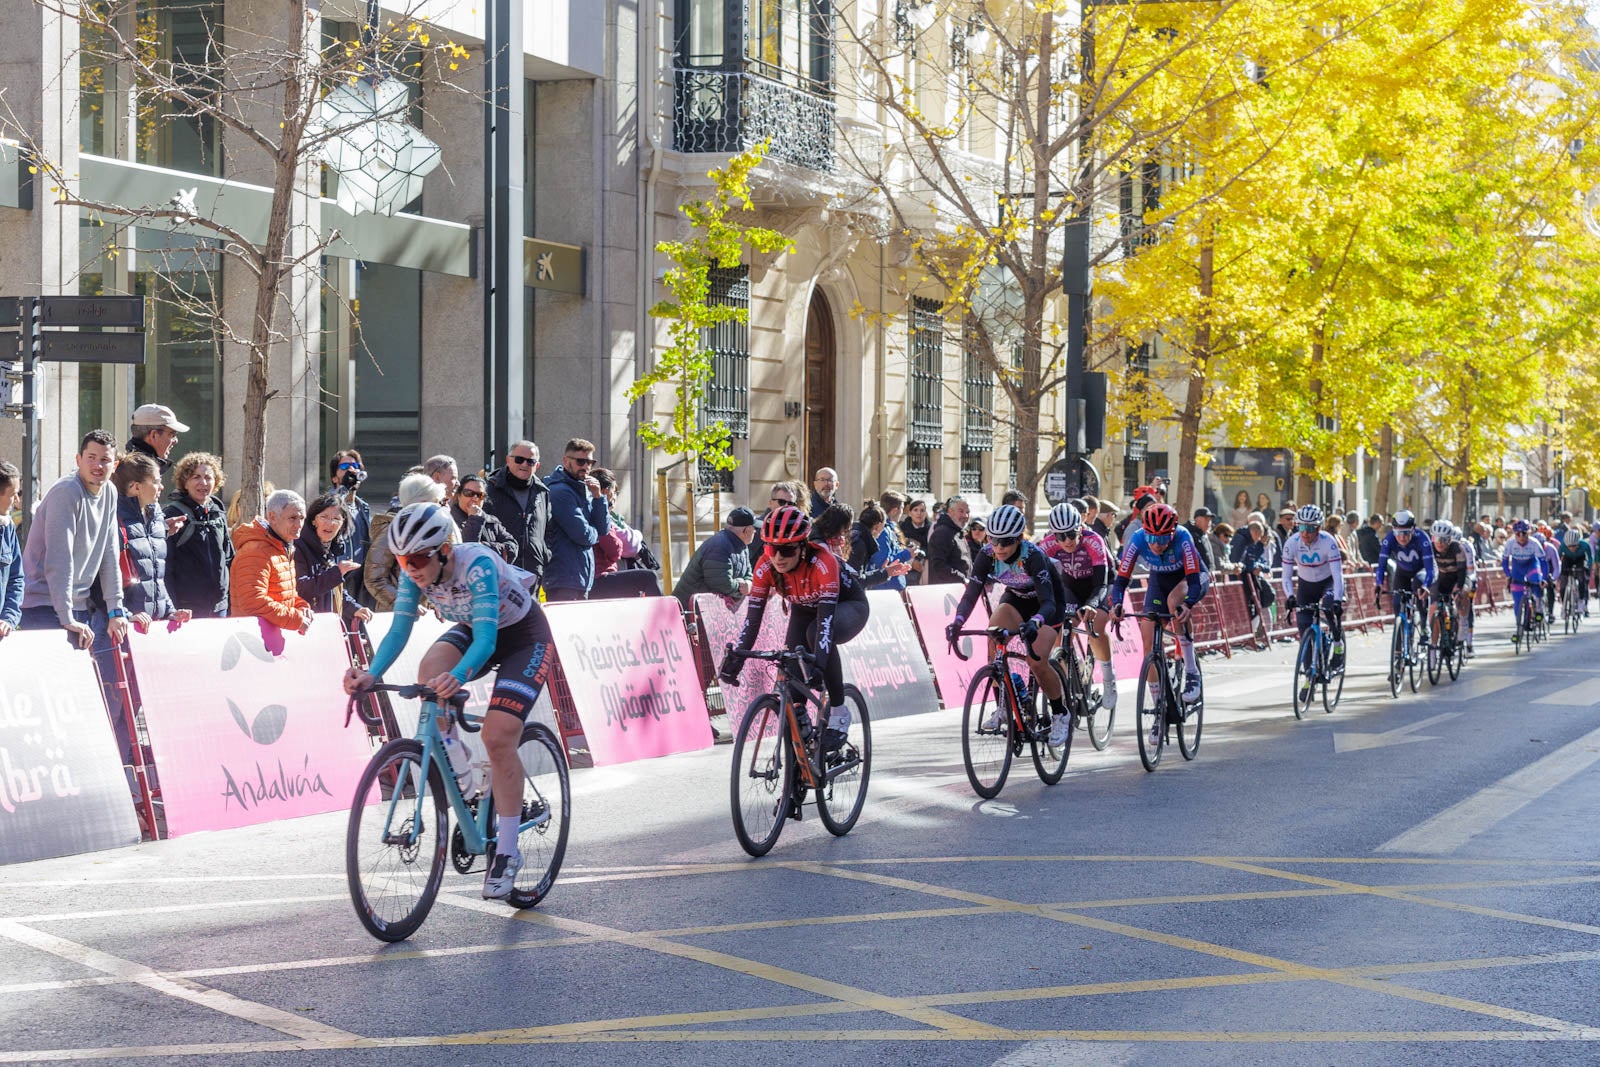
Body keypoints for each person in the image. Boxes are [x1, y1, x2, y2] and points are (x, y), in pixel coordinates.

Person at [343, 503, 553, 900]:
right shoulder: (413, 576)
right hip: (473, 630)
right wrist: (372, 673)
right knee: (428, 675)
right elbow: (400, 628)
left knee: (498, 736)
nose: (411, 567)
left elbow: (488, 642)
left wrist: (457, 676)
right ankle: (465, 782)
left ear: (444, 550)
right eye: (403, 560)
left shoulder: (477, 565)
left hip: (522, 637)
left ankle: (506, 852)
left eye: (419, 558)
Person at [720, 505, 870, 760]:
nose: (778, 557)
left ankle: (838, 711)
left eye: (787, 549)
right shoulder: (765, 567)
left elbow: (824, 627)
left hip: (846, 606)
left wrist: (818, 666)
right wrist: (738, 656)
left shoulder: (823, 562)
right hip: (804, 608)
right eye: (771, 548)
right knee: (791, 663)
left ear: (802, 547)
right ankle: (800, 750)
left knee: (815, 637)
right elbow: (752, 620)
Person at [944, 504, 1073, 746]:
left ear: (1018, 539)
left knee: (1036, 661)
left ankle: (1060, 713)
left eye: (1006, 542)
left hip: (1048, 606)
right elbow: (971, 593)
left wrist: (1036, 621)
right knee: (994, 637)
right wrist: (958, 621)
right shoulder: (986, 554)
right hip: (1016, 600)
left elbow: (1048, 602)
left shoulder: (1032, 556)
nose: (1000, 547)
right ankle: (1003, 706)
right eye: (994, 540)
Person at [1109, 503, 1212, 706]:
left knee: (1175, 602)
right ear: (1145, 533)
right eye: (1152, 538)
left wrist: (1189, 604)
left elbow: (1192, 581)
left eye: (1163, 538)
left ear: (1172, 533)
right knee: (1148, 643)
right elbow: (1121, 580)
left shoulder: (1184, 538)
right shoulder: (1137, 539)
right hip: (1160, 580)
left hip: (1191, 578)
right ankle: (1159, 708)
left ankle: (1191, 671)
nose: (1156, 544)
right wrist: (1117, 604)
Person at [1037, 503, 1118, 713]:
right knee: (1062, 632)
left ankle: (1109, 678)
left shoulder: (1094, 540)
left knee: (1095, 626)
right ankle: (1069, 676)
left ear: (1080, 528)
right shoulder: (1046, 545)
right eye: (1060, 536)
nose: (1066, 541)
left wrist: (1091, 604)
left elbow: (1101, 584)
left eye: (1071, 535)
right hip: (1071, 585)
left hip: (1099, 584)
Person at [111, 453, 191, 631]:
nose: (162, 487)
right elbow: (102, 581)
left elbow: (155, 578)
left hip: (152, 627)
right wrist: (126, 614)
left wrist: (170, 610)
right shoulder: (113, 520)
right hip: (123, 627)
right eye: (155, 481)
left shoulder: (156, 519)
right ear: (135, 487)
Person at [1281, 504, 1346, 691]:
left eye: (1310, 528)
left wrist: (1337, 599)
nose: (1305, 533)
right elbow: (1286, 576)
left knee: (1328, 606)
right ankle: (1309, 675)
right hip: (1306, 586)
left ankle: (1337, 643)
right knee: (1303, 626)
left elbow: (1338, 574)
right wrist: (1290, 596)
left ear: (1318, 528)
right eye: (1301, 527)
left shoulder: (1328, 542)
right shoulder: (1292, 543)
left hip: (1328, 583)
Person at [230, 490, 315, 633]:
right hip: (252, 639)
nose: (299, 524)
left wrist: (301, 607)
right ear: (272, 517)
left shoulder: (281, 546)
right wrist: (295, 618)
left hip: (269, 637)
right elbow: (253, 601)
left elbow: (284, 594)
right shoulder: (256, 550)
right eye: (293, 518)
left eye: (302, 518)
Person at [162, 452, 231, 618]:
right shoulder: (173, 514)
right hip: (187, 607)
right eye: (195, 477)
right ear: (185, 482)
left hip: (219, 605)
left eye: (208, 477)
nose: (203, 483)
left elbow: (228, 557)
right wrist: (171, 608)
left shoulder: (218, 512)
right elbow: (165, 567)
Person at [366, 474, 449, 611]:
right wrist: (405, 604)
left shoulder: (435, 529)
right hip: (395, 613)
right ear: (423, 503)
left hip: (428, 616)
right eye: (437, 502)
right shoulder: (392, 531)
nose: (440, 507)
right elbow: (375, 579)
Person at [543, 438, 610, 602]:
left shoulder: (583, 488)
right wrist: (593, 532)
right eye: (581, 461)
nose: (586, 467)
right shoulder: (559, 491)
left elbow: (604, 529)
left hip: (580, 577)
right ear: (566, 461)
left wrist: (597, 497)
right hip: (563, 579)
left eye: (590, 462)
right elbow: (584, 535)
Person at [481, 440, 552, 592]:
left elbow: (548, 529)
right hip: (500, 572)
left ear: (537, 466)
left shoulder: (542, 492)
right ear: (508, 460)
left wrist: (545, 555)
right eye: (519, 459)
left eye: (531, 461)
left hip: (533, 573)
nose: (525, 464)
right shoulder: (490, 488)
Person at [293, 493, 372, 625]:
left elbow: (334, 590)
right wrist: (337, 572)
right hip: (304, 625)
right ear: (313, 521)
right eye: (324, 517)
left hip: (327, 625)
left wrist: (355, 609)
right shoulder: (298, 547)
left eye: (336, 519)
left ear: (342, 524)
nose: (330, 523)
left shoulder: (332, 548)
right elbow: (302, 588)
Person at [673, 506, 757, 608]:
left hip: (707, 610)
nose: (755, 532)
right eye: (754, 529)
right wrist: (740, 587)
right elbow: (721, 584)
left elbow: (748, 573)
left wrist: (748, 584)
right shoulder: (719, 546)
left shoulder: (742, 546)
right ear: (746, 531)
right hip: (690, 611)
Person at [327, 450, 373, 607]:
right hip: (338, 576)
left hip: (361, 580)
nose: (351, 470)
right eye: (345, 466)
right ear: (334, 478)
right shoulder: (327, 504)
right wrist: (344, 488)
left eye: (355, 466)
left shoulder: (363, 507)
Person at [1375, 510, 1437, 622]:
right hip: (1403, 571)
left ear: (1413, 530)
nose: (1402, 537)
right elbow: (1381, 564)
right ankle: (1400, 633)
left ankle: (1424, 625)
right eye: (1398, 533)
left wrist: (1426, 586)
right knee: (1397, 603)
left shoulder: (1422, 538)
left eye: (1406, 533)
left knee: (1418, 585)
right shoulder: (1389, 539)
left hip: (1423, 569)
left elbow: (1430, 568)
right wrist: (1378, 584)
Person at [449, 475, 518, 563]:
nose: (475, 498)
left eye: (480, 495)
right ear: (459, 495)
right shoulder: (450, 521)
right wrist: (474, 519)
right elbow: (466, 552)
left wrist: (482, 546)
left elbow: (513, 547)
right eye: (469, 493)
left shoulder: (491, 521)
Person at [1427, 519, 1473, 650]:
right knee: (1433, 605)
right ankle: (1433, 642)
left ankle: (1463, 622)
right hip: (1441, 578)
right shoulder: (1430, 548)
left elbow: (1462, 571)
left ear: (1449, 539)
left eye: (1443, 539)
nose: (1439, 543)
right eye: (1436, 538)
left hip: (1458, 577)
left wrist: (1458, 589)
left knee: (1462, 592)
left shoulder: (1457, 548)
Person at [1501, 520, 1547, 629]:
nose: (1521, 537)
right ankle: (1520, 625)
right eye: (1518, 534)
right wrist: (1508, 574)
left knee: (1536, 583)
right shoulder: (1510, 544)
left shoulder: (1534, 543)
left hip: (1531, 565)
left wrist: (1543, 579)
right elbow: (1505, 561)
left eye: (1524, 534)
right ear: (1514, 534)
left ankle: (1539, 606)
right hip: (1518, 569)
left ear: (1529, 533)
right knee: (1517, 601)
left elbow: (1543, 562)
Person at [126, 403, 187, 476]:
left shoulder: (131, 467)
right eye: (172, 435)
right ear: (154, 435)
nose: (176, 441)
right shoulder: (141, 473)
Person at [927, 495, 972, 584]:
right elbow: (939, 566)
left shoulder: (958, 532)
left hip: (960, 588)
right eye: (961, 511)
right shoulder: (942, 533)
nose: (965, 516)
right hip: (946, 591)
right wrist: (962, 579)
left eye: (967, 512)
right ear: (950, 511)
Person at [0, 462, 21, 639]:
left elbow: (16, 578)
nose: (17, 501)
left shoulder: (8, 528)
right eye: (13, 494)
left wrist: (9, 617)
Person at [1558, 528, 1592, 620]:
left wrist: (1588, 566)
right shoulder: (1562, 546)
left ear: (1578, 543)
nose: (1572, 548)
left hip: (1580, 559)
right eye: (1569, 546)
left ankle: (1581, 600)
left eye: (1574, 546)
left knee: (1581, 578)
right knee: (1563, 583)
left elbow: (1590, 558)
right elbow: (1558, 558)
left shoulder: (1585, 545)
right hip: (1567, 559)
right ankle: (1563, 605)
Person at [1184, 507, 1220, 574]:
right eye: (1206, 519)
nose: (1209, 523)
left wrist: (1211, 570)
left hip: (1207, 577)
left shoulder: (1204, 535)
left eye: (1210, 520)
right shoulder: (1188, 535)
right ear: (1197, 519)